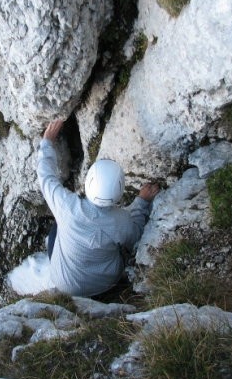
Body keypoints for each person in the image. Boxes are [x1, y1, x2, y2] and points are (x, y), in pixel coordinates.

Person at [37, 119, 160, 297]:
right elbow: (135, 236)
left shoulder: (66, 206)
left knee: (57, 227)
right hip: (106, 284)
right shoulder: (121, 221)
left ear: (89, 182)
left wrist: (47, 141)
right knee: (117, 245)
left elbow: (45, 177)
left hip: (64, 284)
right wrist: (142, 202)